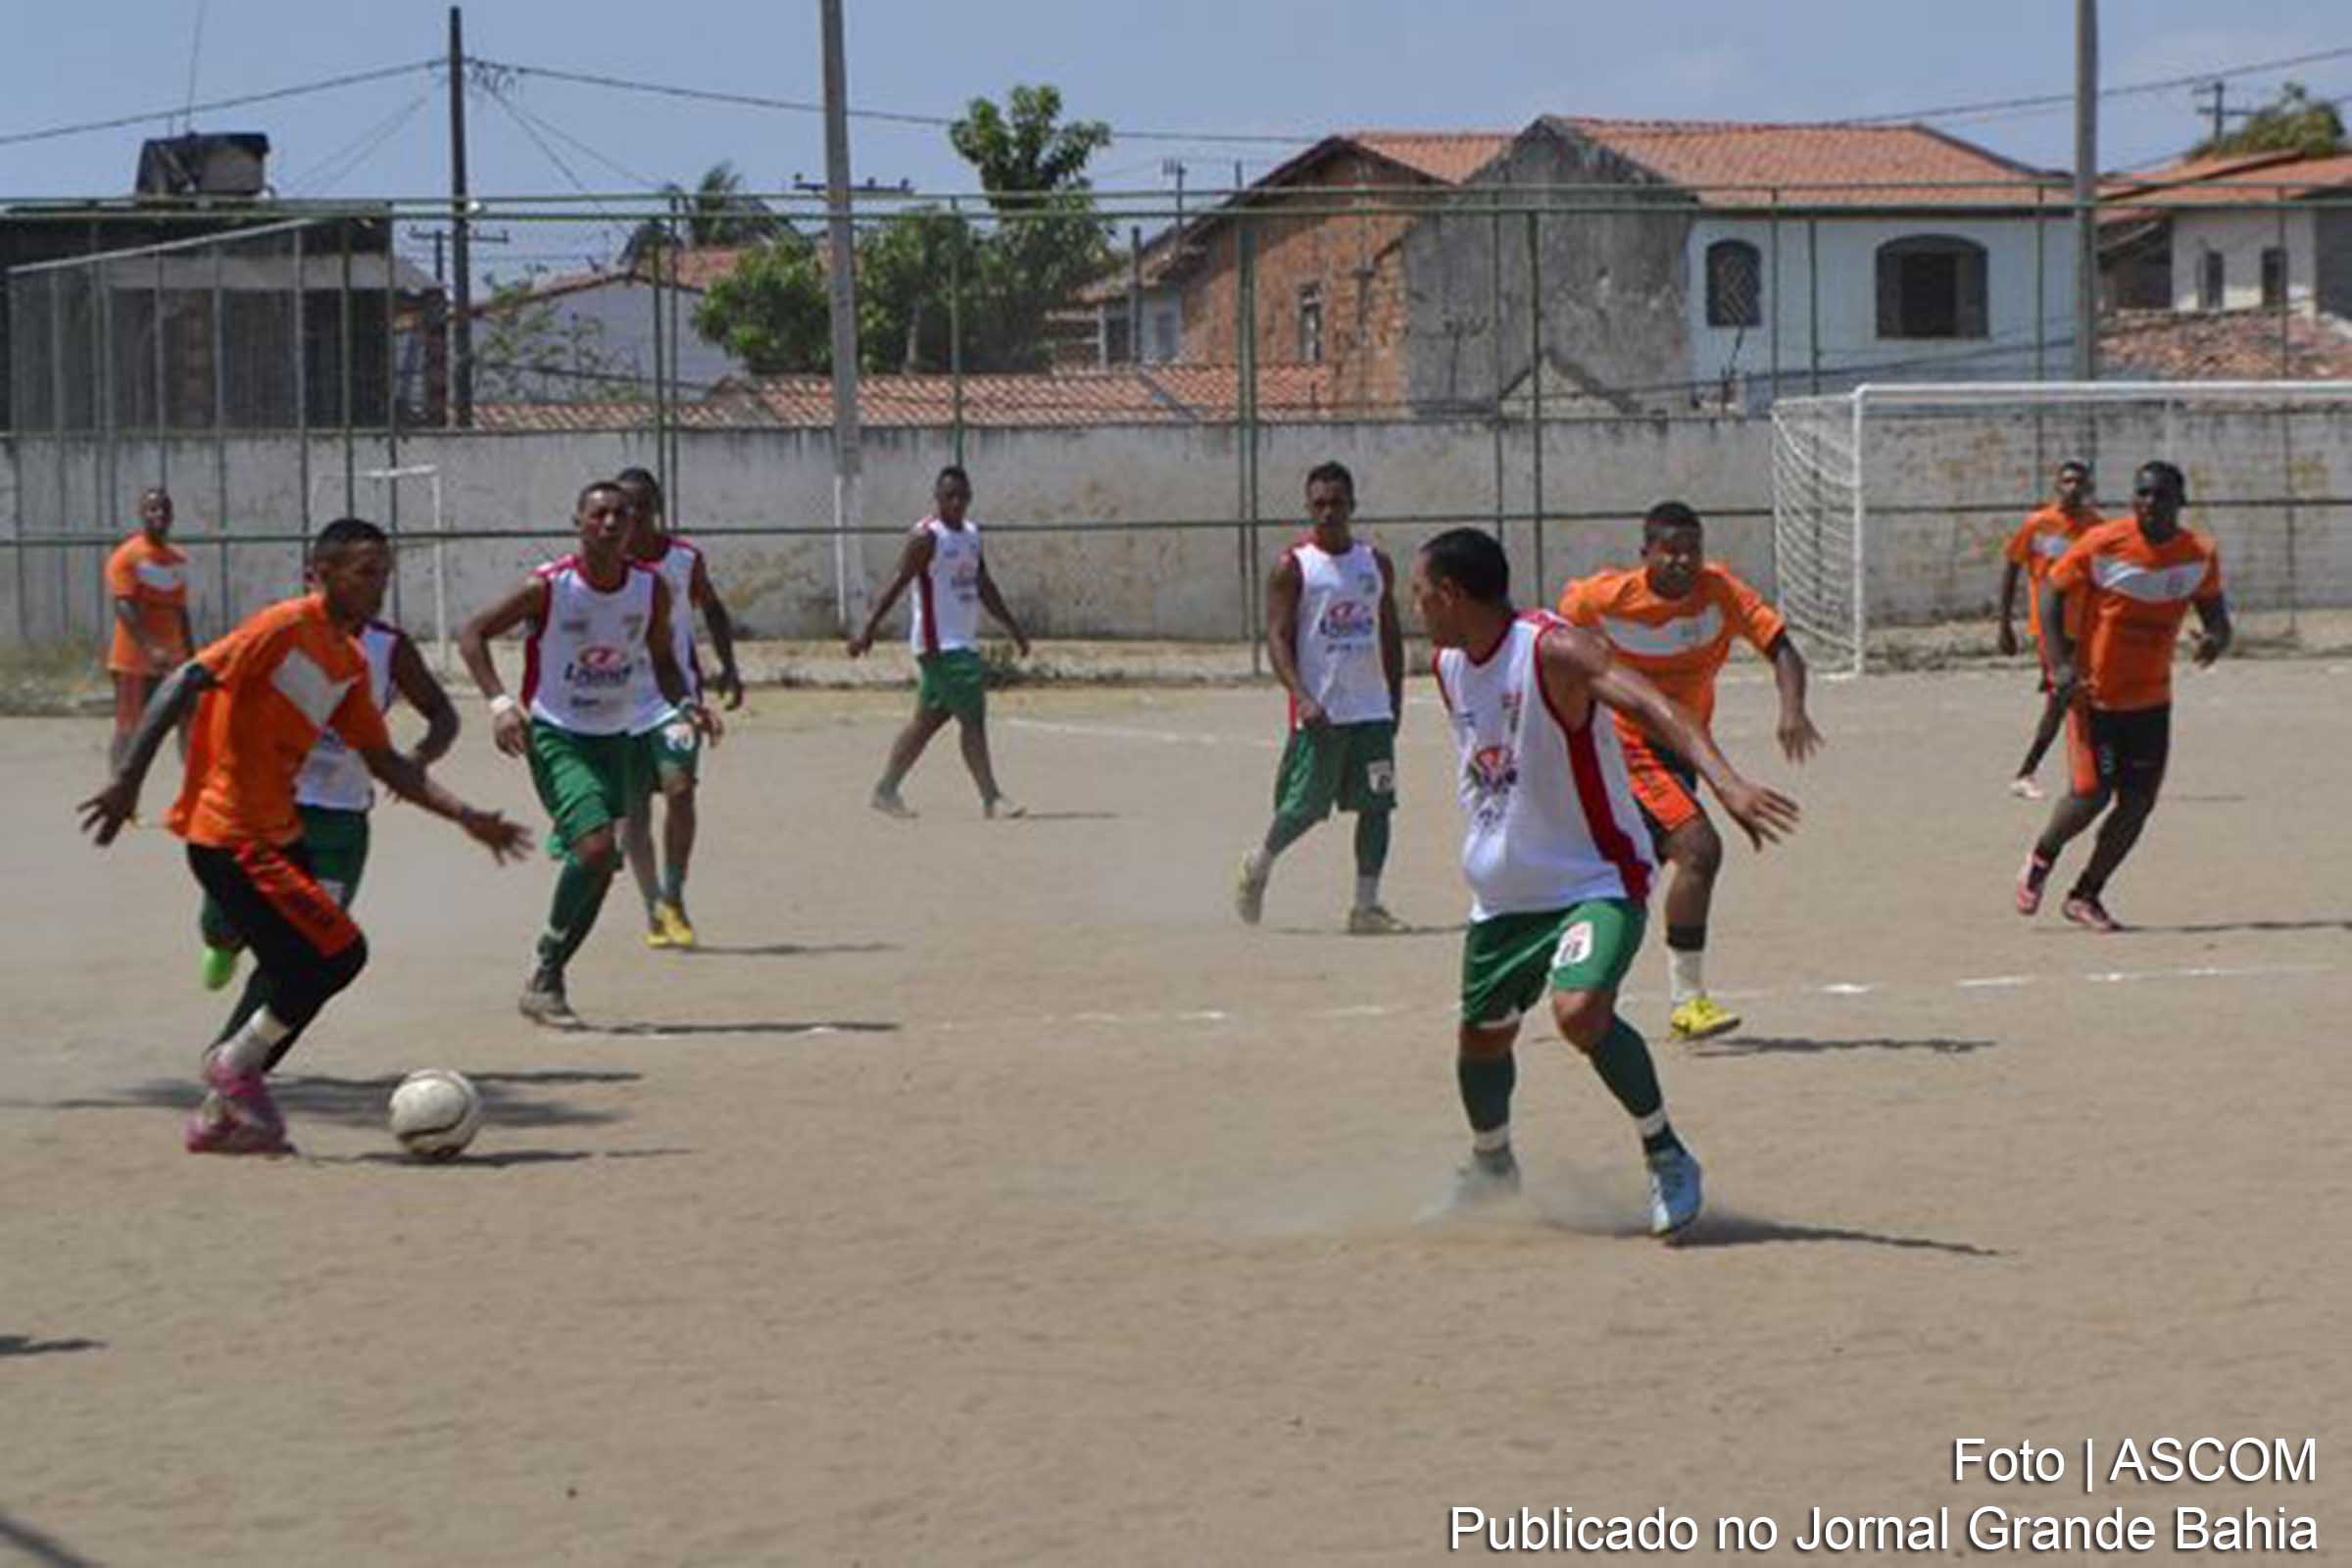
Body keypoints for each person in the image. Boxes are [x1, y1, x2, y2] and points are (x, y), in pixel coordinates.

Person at [76, 517, 529, 1155]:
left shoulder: (346, 660)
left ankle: (222, 1108)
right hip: (230, 837)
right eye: (365, 572)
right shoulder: (282, 627)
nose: (378, 586)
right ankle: (233, 1070)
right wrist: (126, 780)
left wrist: (467, 816)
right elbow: (185, 679)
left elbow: (385, 762)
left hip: (278, 836)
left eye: (385, 573)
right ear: (322, 573)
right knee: (331, 956)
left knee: (317, 963)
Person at [1415, 527, 1798, 1236]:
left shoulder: (1554, 649)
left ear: (1450, 594)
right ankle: (1492, 1169)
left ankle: (1668, 1156)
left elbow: (1659, 707)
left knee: (1580, 1011)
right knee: (1482, 1041)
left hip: (1593, 880)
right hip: (1502, 901)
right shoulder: (1446, 667)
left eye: (1421, 594)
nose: (1418, 609)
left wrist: (1728, 784)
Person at [1557, 502, 1821, 1042]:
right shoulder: (1603, 598)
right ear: (1645, 553)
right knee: (1699, 850)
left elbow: (1783, 649)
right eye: (1670, 549)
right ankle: (1687, 1001)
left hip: (1685, 747)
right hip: (1626, 747)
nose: (1682, 560)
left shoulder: (1719, 592)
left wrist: (1792, 708)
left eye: (1692, 549)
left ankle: (1564, 958)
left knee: (1627, 871)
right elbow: (1553, 640)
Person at [461, 479, 719, 1027]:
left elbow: (664, 662)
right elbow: (473, 634)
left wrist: (689, 705)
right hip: (558, 733)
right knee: (599, 849)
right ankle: (548, 970)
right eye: (599, 514)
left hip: (619, 738)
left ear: (633, 526)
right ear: (577, 521)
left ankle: (546, 973)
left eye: (620, 516)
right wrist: (502, 704)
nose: (610, 524)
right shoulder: (549, 588)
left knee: (601, 865)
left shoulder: (650, 590)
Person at [196, 584, 460, 993]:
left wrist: (419, 758)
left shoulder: (388, 648)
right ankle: (224, 940)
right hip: (265, 808)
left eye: (375, 575)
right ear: (312, 581)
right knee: (222, 925)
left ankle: (241, 1049)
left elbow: (443, 714)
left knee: (307, 949)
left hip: (340, 815)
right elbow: (213, 688)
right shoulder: (278, 631)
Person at [2015, 461, 2229, 932]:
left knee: (2136, 805)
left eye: (2161, 495)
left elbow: (2218, 621)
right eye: (2142, 494)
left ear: (2180, 502)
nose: (2150, 503)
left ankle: (2086, 895)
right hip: (2096, 696)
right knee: (2091, 795)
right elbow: (2050, 591)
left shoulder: (2198, 554)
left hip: (2152, 701)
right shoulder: (2104, 543)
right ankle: (2042, 856)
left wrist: (2214, 640)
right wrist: (2061, 663)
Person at [1232, 462, 1406, 934]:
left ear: (1353, 505)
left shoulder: (1375, 564)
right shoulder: (1294, 567)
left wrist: (1396, 695)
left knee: (1377, 805)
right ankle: (1259, 863)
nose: (1329, 512)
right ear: (1309, 507)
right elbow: (1277, 636)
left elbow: (1389, 633)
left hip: (1370, 708)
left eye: (1337, 503)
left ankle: (1365, 907)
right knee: (1305, 807)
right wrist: (1301, 695)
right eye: (1320, 504)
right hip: (1322, 709)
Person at [847, 465, 1031, 819]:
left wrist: (1013, 628)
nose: (957, 502)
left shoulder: (972, 536)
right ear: (938, 497)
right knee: (973, 717)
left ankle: (885, 790)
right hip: (939, 645)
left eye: (963, 496)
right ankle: (991, 797)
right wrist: (868, 630)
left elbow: (984, 586)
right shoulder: (926, 537)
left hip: (962, 641)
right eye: (950, 496)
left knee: (926, 722)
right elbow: (898, 583)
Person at [613, 466, 745, 951]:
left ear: (655, 510)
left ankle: (674, 896)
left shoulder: (684, 559)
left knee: (681, 789)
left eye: (641, 508)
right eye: (622, 510)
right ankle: (652, 906)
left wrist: (729, 667)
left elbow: (712, 607)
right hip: (618, 706)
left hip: (675, 699)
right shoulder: (606, 568)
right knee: (633, 816)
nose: (631, 519)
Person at [1997, 459, 2102, 799]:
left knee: (2081, 698)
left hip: (2084, 627)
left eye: (2079, 482)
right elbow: (2012, 568)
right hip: (2049, 629)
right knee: (2063, 696)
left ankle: (2090, 772)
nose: (2073, 487)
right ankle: (2025, 773)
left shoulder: (2096, 529)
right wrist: (2004, 625)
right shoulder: (2039, 524)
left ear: (2088, 489)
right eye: (2066, 481)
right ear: (2057, 486)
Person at [105, 486, 195, 770]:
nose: (159, 514)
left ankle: (193, 794)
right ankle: (122, 802)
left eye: (164, 509)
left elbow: (180, 610)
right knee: (130, 728)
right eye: (152, 509)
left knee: (189, 717)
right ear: (141, 514)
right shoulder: (127, 557)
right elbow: (124, 607)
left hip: (174, 659)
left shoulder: (177, 559)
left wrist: (191, 655)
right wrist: (150, 648)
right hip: (133, 661)